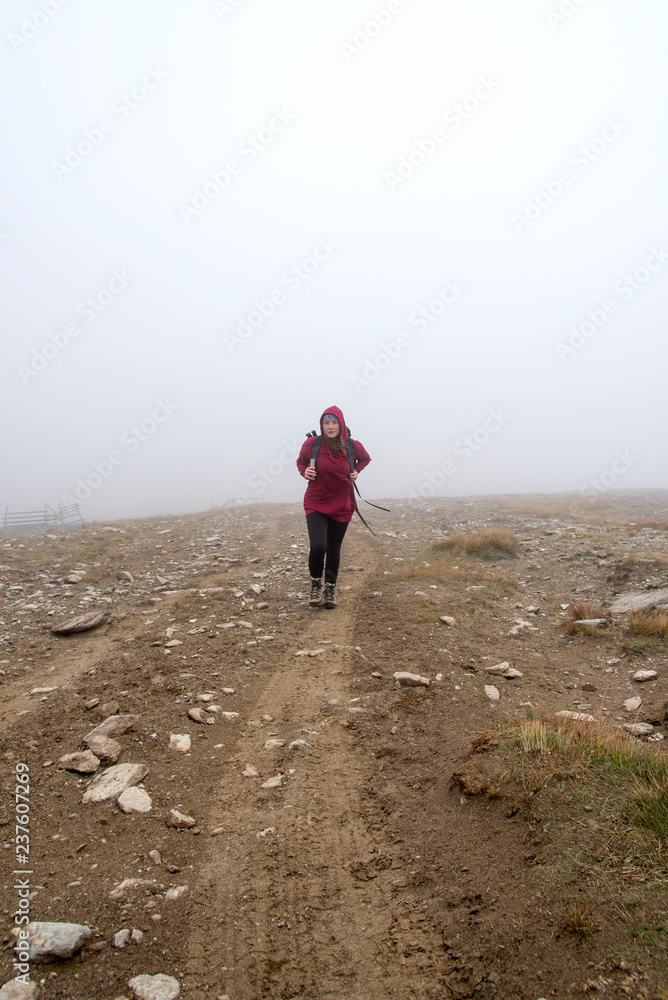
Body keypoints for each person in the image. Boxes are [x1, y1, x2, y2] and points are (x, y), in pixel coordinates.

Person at [296, 406, 371, 609]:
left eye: (334, 422)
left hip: (342, 503)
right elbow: (300, 462)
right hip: (316, 502)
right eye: (326, 423)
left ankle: (330, 589)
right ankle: (315, 584)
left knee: (334, 548)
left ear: (341, 423)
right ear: (322, 425)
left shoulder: (352, 446)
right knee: (318, 546)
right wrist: (305, 472)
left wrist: (356, 470)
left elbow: (366, 459)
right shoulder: (312, 444)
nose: (330, 427)